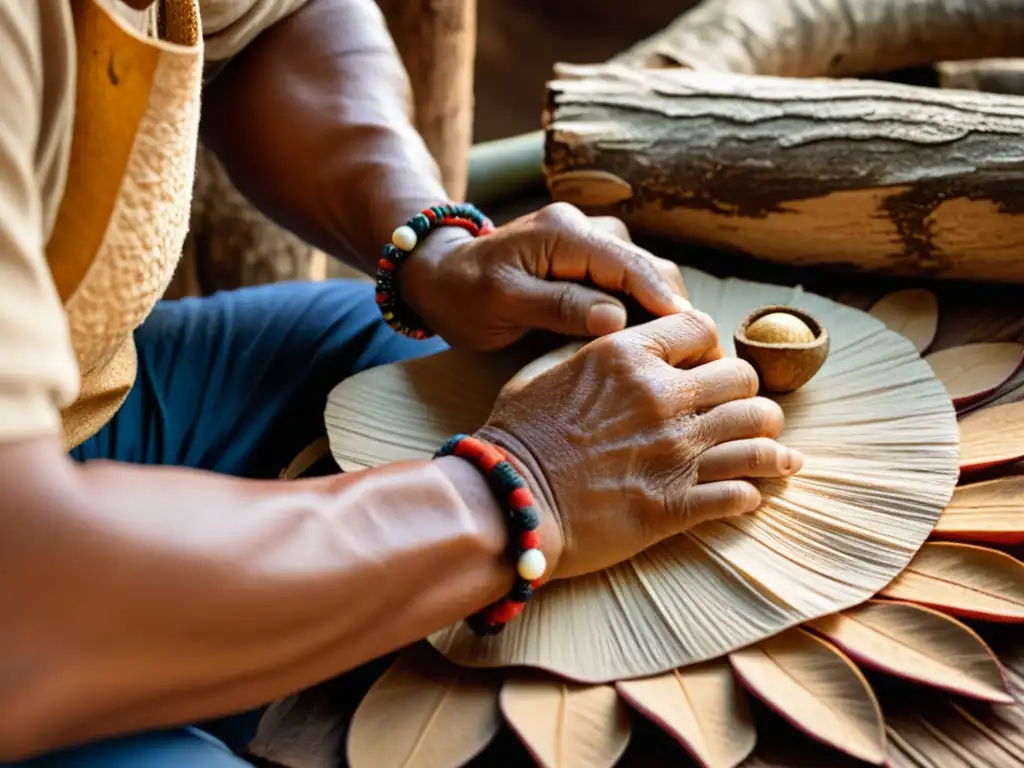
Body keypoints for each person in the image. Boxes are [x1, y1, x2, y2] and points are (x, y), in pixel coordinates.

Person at [0, 0, 803, 765]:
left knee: (456, 380)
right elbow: (25, 601)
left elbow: (288, 17)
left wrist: (436, 252)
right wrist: (521, 490)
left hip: (90, 398)